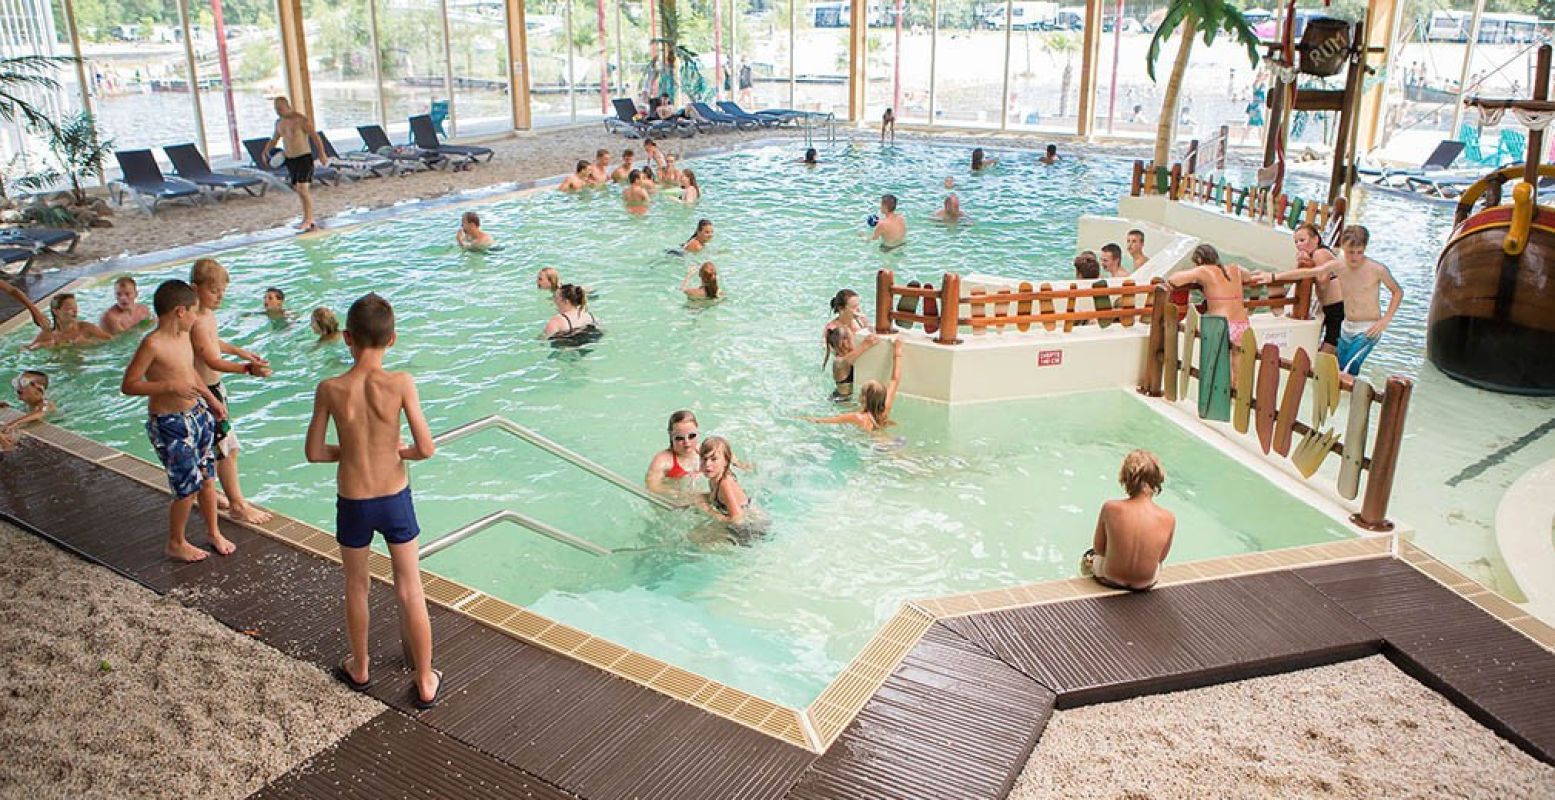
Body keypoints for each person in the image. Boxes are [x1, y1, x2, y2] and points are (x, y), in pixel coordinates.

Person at [304, 292, 441, 709]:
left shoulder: (330, 388)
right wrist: (396, 451)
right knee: (409, 589)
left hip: (354, 501)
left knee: (356, 587)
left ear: (347, 337)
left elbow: (313, 452)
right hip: (394, 498)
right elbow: (425, 447)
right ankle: (424, 679)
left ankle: (360, 666)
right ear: (393, 339)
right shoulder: (401, 383)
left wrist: (353, 450)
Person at [120, 279, 232, 562]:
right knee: (186, 488)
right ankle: (176, 542)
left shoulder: (184, 337)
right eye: (194, 311)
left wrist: (211, 399)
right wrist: (168, 387)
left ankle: (213, 532)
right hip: (170, 423)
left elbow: (190, 373)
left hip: (197, 415)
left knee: (208, 478)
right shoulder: (153, 344)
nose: (197, 317)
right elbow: (130, 385)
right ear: (180, 311)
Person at [190, 258, 274, 525]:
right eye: (214, 291)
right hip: (207, 395)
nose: (219, 296)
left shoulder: (204, 316)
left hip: (209, 391)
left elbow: (213, 344)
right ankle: (237, 504)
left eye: (222, 291)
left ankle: (206, 493)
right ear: (195, 288)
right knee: (227, 448)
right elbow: (212, 360)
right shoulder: (198, 321)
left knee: (209, 447)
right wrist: (247, 368)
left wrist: (238, 351)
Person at [1080, 449, 1175, 592]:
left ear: (1125, 479)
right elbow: (1160, 558)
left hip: (1111, 577)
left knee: (1089, 556)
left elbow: (1099, 549)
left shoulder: (1110, 508)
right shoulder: (1169, 518)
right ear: (1157, 481)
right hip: (1145, 583)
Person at [1167, 244, 1252, 374]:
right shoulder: (1235, 268)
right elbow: (1248, 276)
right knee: (1238, 372)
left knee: (1217, 372)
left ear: (1200, 260)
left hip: (1221, 325)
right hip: (1242, 324)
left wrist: (1197, 278)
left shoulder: (1204, 271)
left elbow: (1174, 279)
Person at [1326, 226, 1400, 375]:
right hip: (1347, 326)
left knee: (1350, 367)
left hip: (1368, 328)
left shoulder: (1377, 269)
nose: (1354, 257)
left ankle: (1349, 394)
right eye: (1350, 252)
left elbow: (1397, 292)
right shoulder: (1340, 266)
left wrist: (1385, 320)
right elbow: (1310, 272)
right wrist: (1275, 277)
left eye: (1359, 252)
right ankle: (1343, 396)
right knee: (1339, 366)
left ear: (1365, 249)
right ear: (1343, 248)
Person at [1258, 223, 1342, 352]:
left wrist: (1308, 264)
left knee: (1330, 345)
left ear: (1316, 239)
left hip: (1338, 307)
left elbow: (1322, 282)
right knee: (1328, 344)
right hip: (1331, 307)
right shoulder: (1317, 254)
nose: (1298, 245)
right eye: (1296, 242)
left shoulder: (1320, 253)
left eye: (1302, 240)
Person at [261, 96, 328, 232]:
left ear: (287, 106)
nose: (278, 111)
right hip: (290, 159)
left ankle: (309, 220)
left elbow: (316, 137)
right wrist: (265, 151)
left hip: (304, 157)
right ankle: (307, 218)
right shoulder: (279, 123)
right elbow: (274, 139)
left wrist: (322, 154)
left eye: (279, 108)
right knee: (298, 189)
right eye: (275, 109)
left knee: (303, 189)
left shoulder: (301, 120)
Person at [805, 338, 903, 432]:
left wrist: (802, 418)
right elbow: (895, 379)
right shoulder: (885, 409)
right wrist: (897, 351)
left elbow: (824, 421)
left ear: (863, 398)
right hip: (890, 442)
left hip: (877, 447)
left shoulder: (857, 417)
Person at [0, 284, 111, 350]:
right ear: (56, 311)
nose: (75, 311)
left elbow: (112, 343)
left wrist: (89, 344)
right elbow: (25, 350)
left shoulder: (86, 328)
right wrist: (41, 345)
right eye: (69, 308)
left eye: (75, 307)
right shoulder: (47, 335)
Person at [696, 435, 763, 543]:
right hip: (745, 524)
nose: (707, 464)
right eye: (704, 459)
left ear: (726, 462)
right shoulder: (714, 479)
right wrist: (702, 498)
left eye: (714, 459)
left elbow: (737, 519)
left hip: (753, 528)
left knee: (697, 538)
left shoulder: (725, 484)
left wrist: (708, 510)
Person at [645, 409, 701, 497]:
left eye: (692, 436)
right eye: (679, 438)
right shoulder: (662, 460)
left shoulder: (704, 451)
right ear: (671, 436)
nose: (687, 443)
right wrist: (679, 493)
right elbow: (652, 486)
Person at [0, 370, 54, 450]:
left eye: (23, 382)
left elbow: (41, 412)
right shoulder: (29, 404)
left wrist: (14, 423)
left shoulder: (46, 403)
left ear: (39, 389)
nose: (19, 385)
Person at [824, 325, 878, 401]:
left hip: (841, 396)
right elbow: (868, 343)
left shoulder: (846, 356)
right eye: (852, 338)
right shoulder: (840, 362)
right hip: (843, 402)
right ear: (845, 343)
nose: (855, 340)